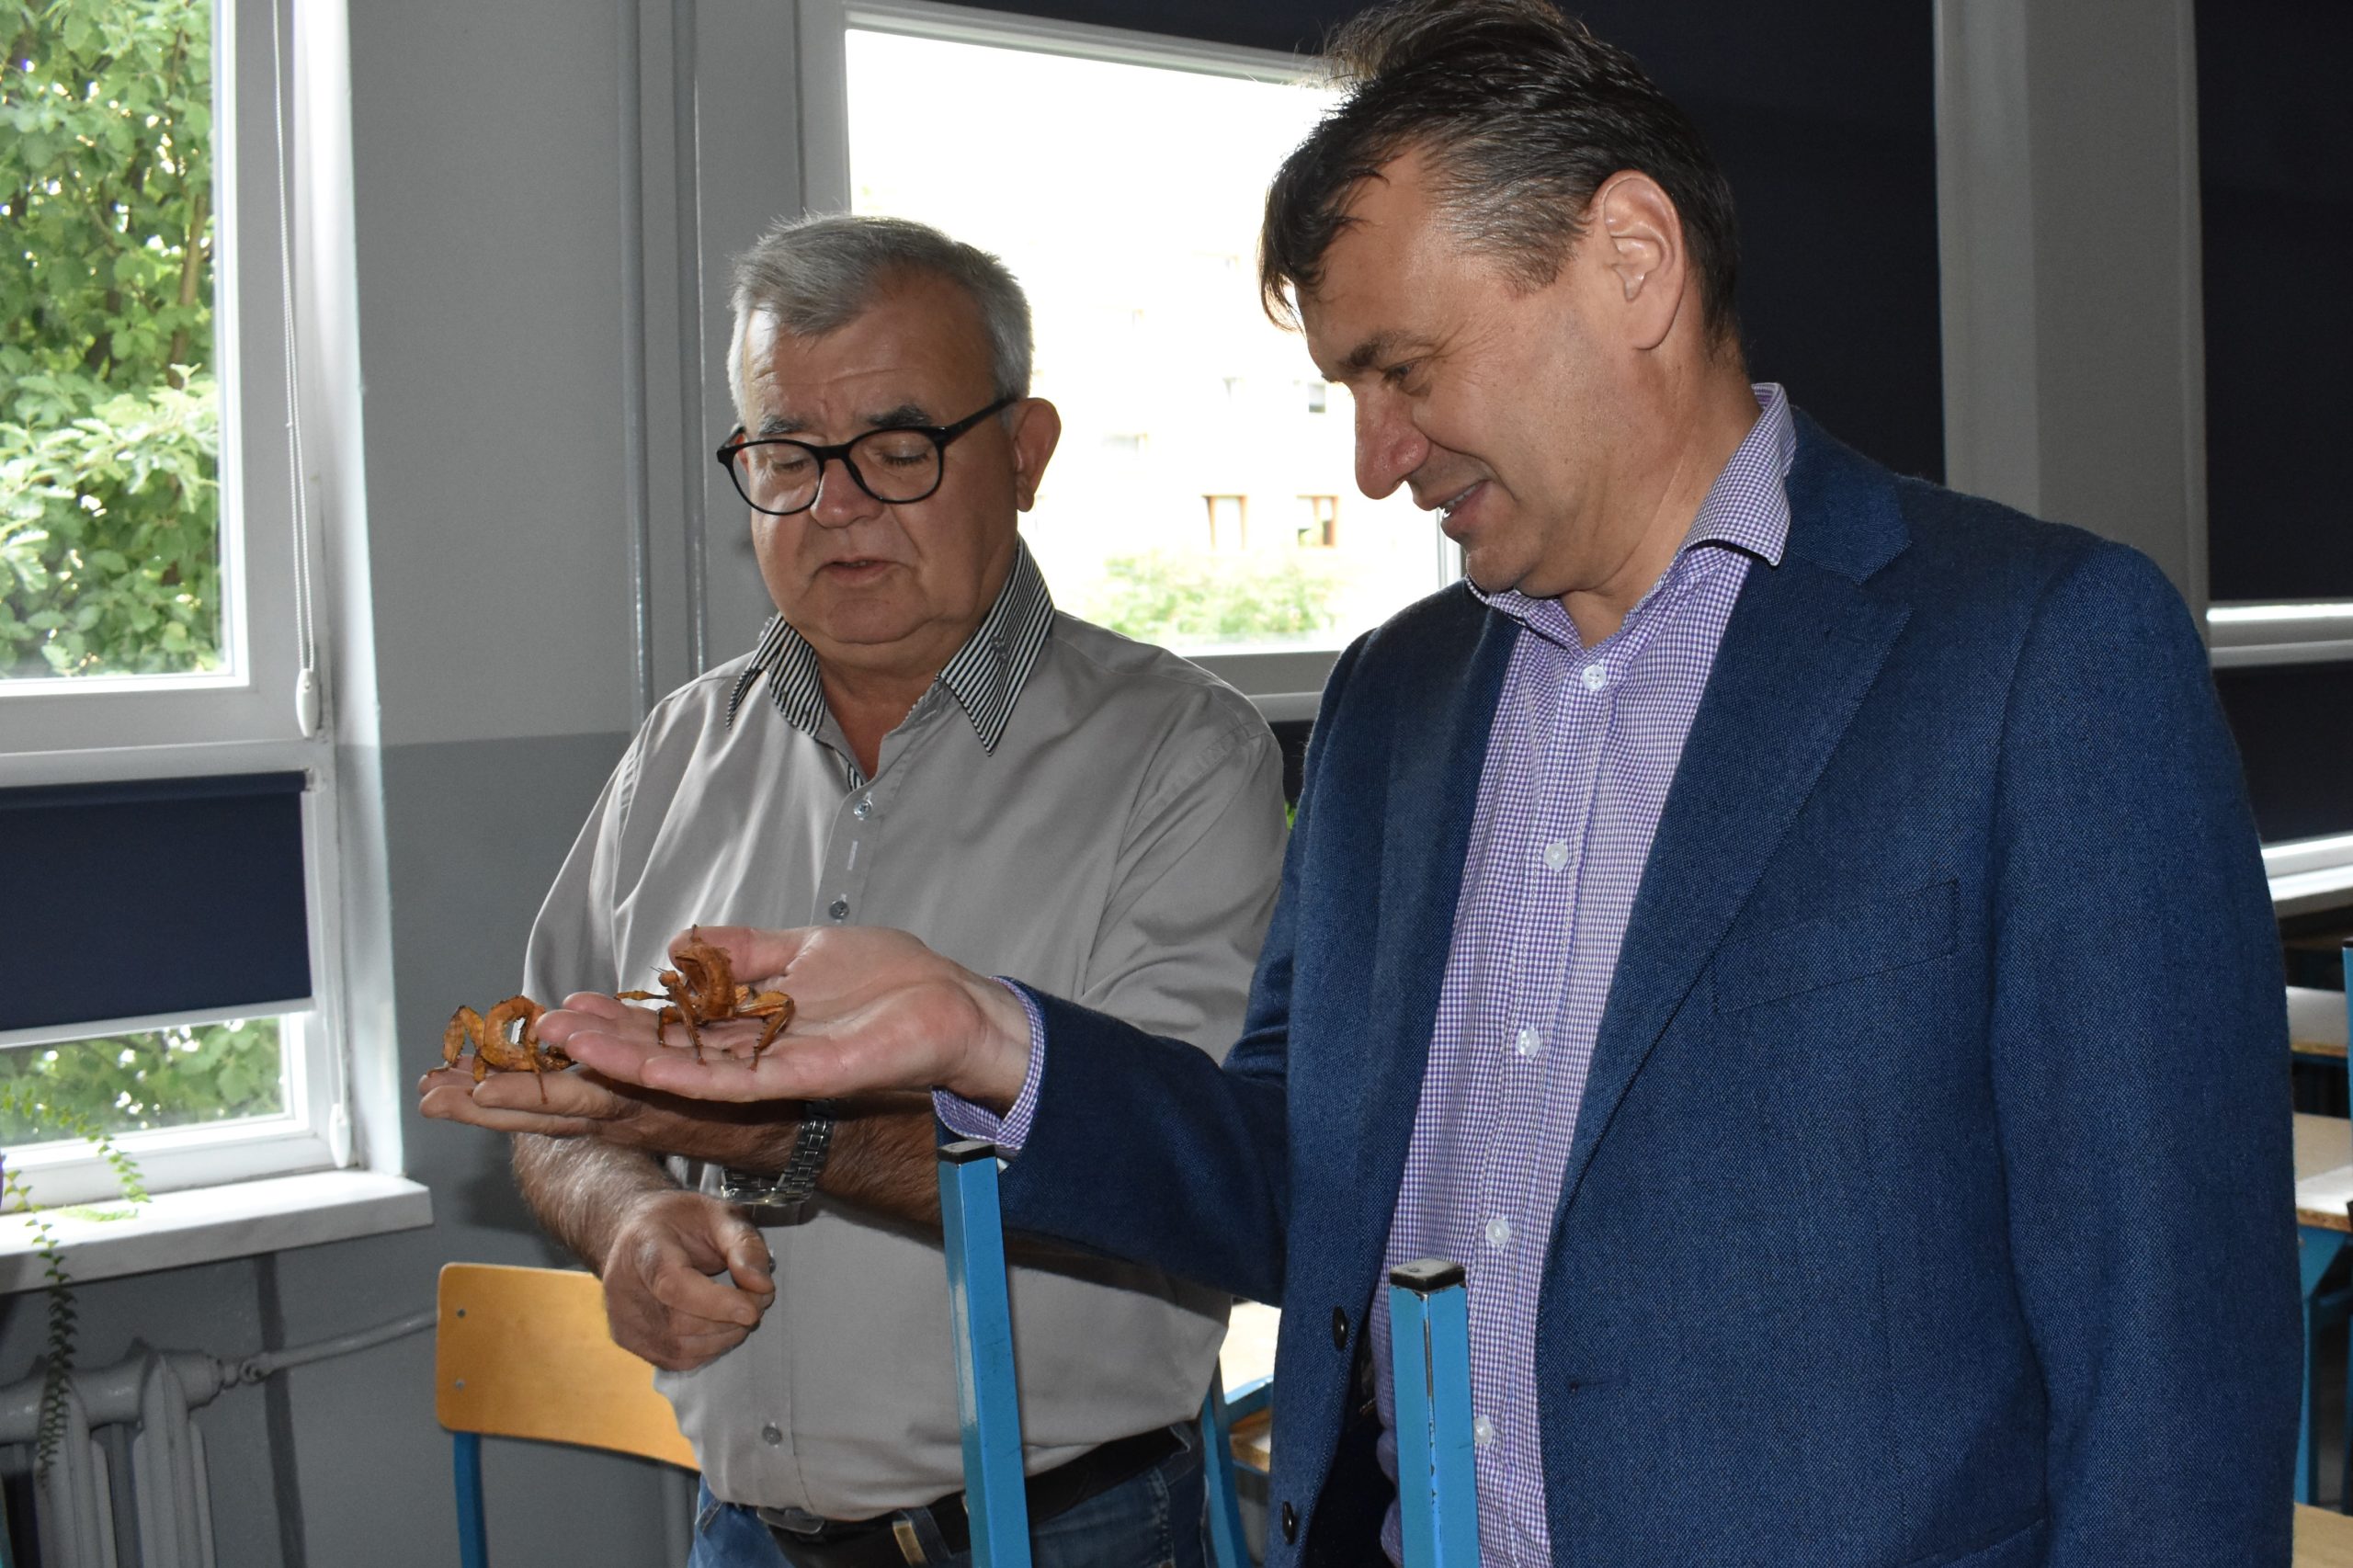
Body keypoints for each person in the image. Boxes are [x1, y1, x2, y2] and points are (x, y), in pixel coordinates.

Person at [543, 5, 2300, 1565]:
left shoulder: (2033, 653)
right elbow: (1290, 1184)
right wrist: (984, 1030)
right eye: (1350, 389)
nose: (1377, 459)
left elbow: (2174, 1350)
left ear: (1631, 264)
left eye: (1403, 369)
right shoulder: (1398, 699)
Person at [418, 213, 1288, 1568]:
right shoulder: (679, 751)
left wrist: (760, 1128)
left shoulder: (1184, 756)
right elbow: (559, 1098)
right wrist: (625, 1213)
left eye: (897, 446)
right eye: (787, 455)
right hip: (744, 1533)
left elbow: (1177, 1185)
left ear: (1025, 452)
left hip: (1068, 1530)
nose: (836, 504)